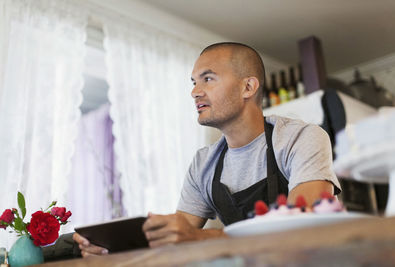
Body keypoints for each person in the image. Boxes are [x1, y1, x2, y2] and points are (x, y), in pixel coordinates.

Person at [73, 42, 341, 257]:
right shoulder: (204, 163)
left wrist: (198, 238)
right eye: (194, 82)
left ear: (248, 87)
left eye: (208, 79)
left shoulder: (302, 137)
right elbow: (178, 235)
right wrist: (112, 249)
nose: (195, 92)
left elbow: (303, 226)